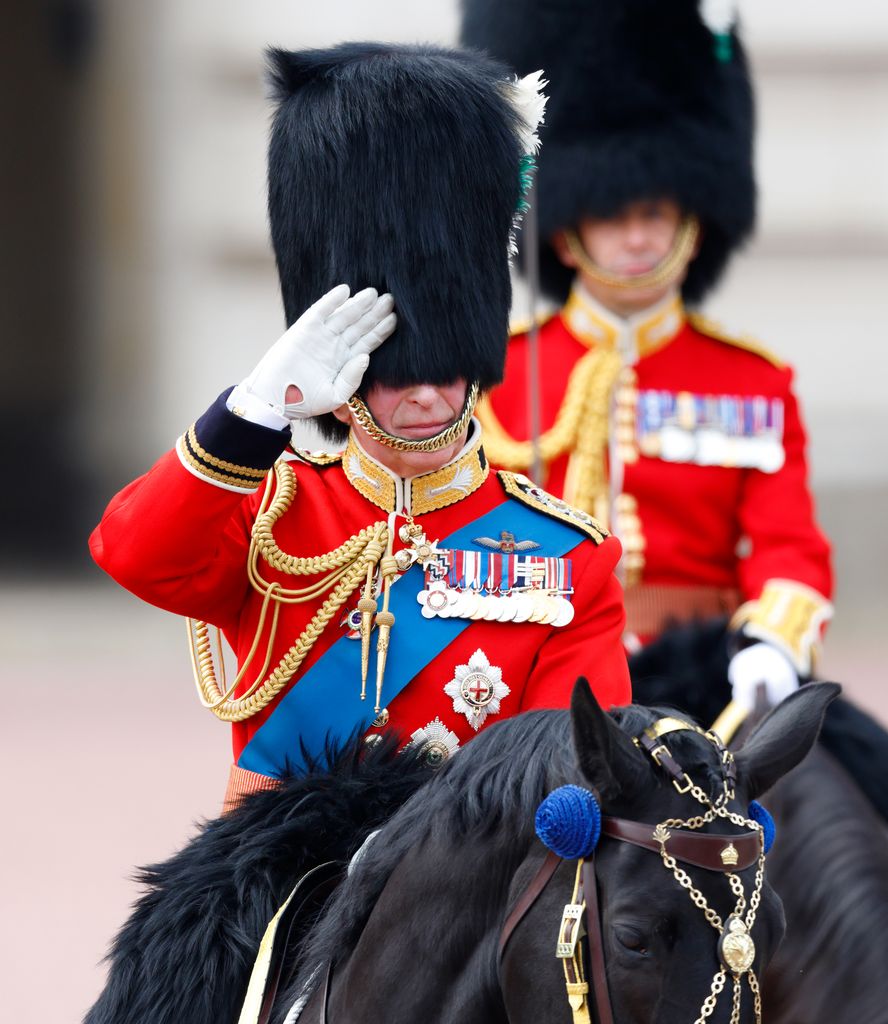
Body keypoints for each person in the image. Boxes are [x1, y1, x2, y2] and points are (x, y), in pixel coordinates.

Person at [90, 42, 630, 809]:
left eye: (444, 367)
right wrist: (257, 409)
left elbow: (576, 769)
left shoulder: (572, 558)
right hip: (278, 880)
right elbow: (135, 554)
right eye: (397, 372)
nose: (426, 395)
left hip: (456, 896)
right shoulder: (273, 512)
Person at [461, 0, 833, 716]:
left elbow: (791, 547)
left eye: (654, 214)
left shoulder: (751, 383)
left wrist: (776, 644)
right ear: (568, 230)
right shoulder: (499, 370)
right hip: (536, 672)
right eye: (612, 215)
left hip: (710, 679)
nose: (635, 238)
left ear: (691, 219)